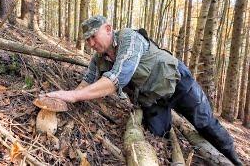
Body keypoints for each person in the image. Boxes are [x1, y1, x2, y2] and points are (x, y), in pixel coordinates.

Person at [43, 16, 242, 165]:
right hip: (152, 99)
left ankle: (233, 159)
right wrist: (66, 97)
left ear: (108, 29)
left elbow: (117, 78)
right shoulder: (98, 59)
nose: (91, 44)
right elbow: (86, 82)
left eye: (93, 37)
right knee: (157, 133)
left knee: (205, 123)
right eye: (87, 40)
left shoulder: (129, 38)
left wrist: (74, 95)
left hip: (177, 83)